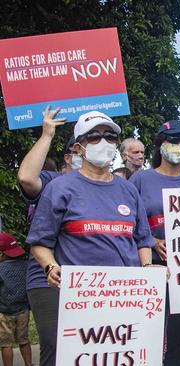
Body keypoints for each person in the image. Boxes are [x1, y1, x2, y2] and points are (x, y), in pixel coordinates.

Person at [26, 111, 154, 362]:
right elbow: (40, 243)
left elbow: (142, 240)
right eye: (94, 137)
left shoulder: (128, 190)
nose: (104, 142)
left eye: (110, 136)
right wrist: (50, 266)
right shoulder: (60, 188)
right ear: (78, 147)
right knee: (67, 355)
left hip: (122, 297)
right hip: (78, 298)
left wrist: (147, 267)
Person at [129, 120, 180, 366]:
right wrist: (151, 241)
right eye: (173, 141)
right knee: (148, 334)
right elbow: (127, 221)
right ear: (160, 144)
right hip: (153, 267)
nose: (178, 146)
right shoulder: (140, 180)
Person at [16, 106, 69, 366]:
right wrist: (47, 134)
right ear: (71, 155)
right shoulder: (53, 181)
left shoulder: (110, 185)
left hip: (88, 280)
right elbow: (26, 177)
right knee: (56, 346)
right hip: (46, 278)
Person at [0, 233, 31, 366]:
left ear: (1, 254)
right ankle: (29, 364)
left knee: (6, 344)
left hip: (3, 312)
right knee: (24, 340)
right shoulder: (26, 266)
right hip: (23, 310)